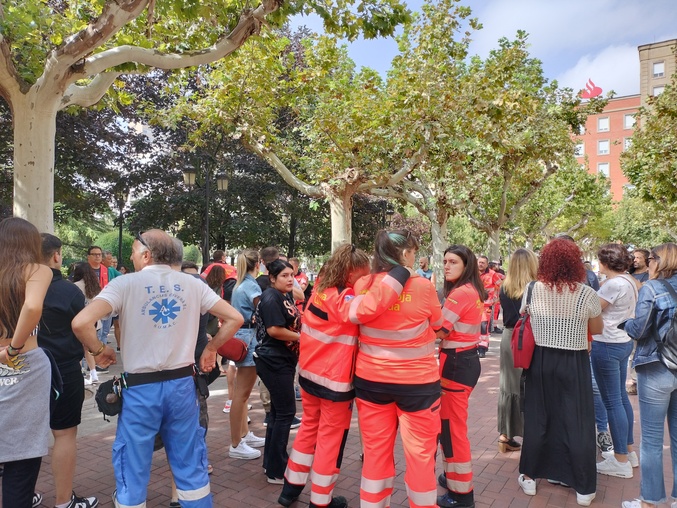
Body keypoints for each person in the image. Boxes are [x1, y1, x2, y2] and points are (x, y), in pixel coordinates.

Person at [72, 230, 243, 508]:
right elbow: (234, 317)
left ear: (147, 255)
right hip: (183, 387)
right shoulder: (193, 284)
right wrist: (212, 349)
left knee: (133, 466)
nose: (130, 256)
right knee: (191, 465)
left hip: (141, 389)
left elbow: (80, 323)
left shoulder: (124, 284)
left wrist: (99, 350)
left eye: (134, 251)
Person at [279, 243, 408, 508]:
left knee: (307, 433)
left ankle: (290, 489)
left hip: (308, 376)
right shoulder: (344, 298)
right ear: (351, 275)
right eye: (364, 275)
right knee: (329, 442)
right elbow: (370, 307)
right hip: (334, 383)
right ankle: (321, 501)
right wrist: (401, 273)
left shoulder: (321, 292)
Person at [352, 230, 443, 508]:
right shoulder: (423, 287)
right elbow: (438, 328)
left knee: (375, 453)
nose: (416, 256)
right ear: (404, 254)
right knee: (420, 456)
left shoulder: (363, 285)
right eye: (414, 251)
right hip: (418, 385)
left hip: (370, 382)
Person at [517, 237, 602, 507]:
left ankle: (530, 476)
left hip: (541, 359)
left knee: (539, 416)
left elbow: (523, 314)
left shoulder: (532, 288)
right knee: (576, 419)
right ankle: (582, 486)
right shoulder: (586, 292)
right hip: (574, 361)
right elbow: (597, 329)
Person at [38, 234, 99, 508]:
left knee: (24, 433)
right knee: (64, 434)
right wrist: (99, 351)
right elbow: (86, 327)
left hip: (20, 368)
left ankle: (22, 492)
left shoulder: (12, 286)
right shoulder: (67, 291)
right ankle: (64, 501)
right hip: (62, 370)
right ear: (56, 256)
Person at [0, 217, 54, 508]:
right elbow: (33, 305)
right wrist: (14, 348)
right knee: (22, 456)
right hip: (25, 363)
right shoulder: (36, 270)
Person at [621, 243, 677, 508]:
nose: (648, 262)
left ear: (659, 261)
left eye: (651, 258)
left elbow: (639, 329)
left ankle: (650, 501)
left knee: (652, 440)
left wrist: (624, 322)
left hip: (655, 366)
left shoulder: (652, 289)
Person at [437, 245, 487, 508]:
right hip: (462, 362)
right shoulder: (469, 290)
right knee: (451, 427)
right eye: (444, 261)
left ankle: (461, 493)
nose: (446, 266)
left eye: (452, 261)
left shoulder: (459, 294)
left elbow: (440, 331)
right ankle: (453, 478)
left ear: (465, 265)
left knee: (452, 430)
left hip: (456, 364)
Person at [591, 243, 639, 479]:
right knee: (619, 398)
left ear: (605, 262)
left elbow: (592, 311)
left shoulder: (614, 284)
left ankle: (620, 459)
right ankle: (628, 451)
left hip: (607, 343)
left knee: (612, 402)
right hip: (622, 342)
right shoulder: (629, 280)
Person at [254, 259, 303, 484]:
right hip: (273, 361)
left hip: (282, 360)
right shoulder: (271, 297)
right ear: (272, 278)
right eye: (284, 275)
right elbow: (274, 330)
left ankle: (271, 464)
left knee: (277, 413)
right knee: (285, 413)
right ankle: (277, 470)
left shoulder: (284, 295)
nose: (290, 279)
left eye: (292, 274)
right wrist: (304, 337)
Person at [496, 248, 538, 454]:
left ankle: (505, 435)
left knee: (508, 386)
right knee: (531, 387)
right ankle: (532, 434)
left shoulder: (504, 286)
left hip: (508, 337)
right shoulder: (536, 288)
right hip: (529, 338)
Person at [228, 249, 266, 460]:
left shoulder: (239, 284)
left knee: (242, 394)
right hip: (250, 339)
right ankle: (236, 442)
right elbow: (263, 310)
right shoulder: (251, 285)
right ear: (257, 263)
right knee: (242, 394)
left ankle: (243, 435)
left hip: (242, 337)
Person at [477, 255, 502, 357]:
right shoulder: (472, 273)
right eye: (479, 262)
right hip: (473, 305)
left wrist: (498, 298)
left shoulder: (492, 274)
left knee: (483, 326)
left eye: (483, 262)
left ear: (487, 264)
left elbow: (501, 286)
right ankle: (475, 346)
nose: (481, 264)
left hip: (486, 305)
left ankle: (482, 348)